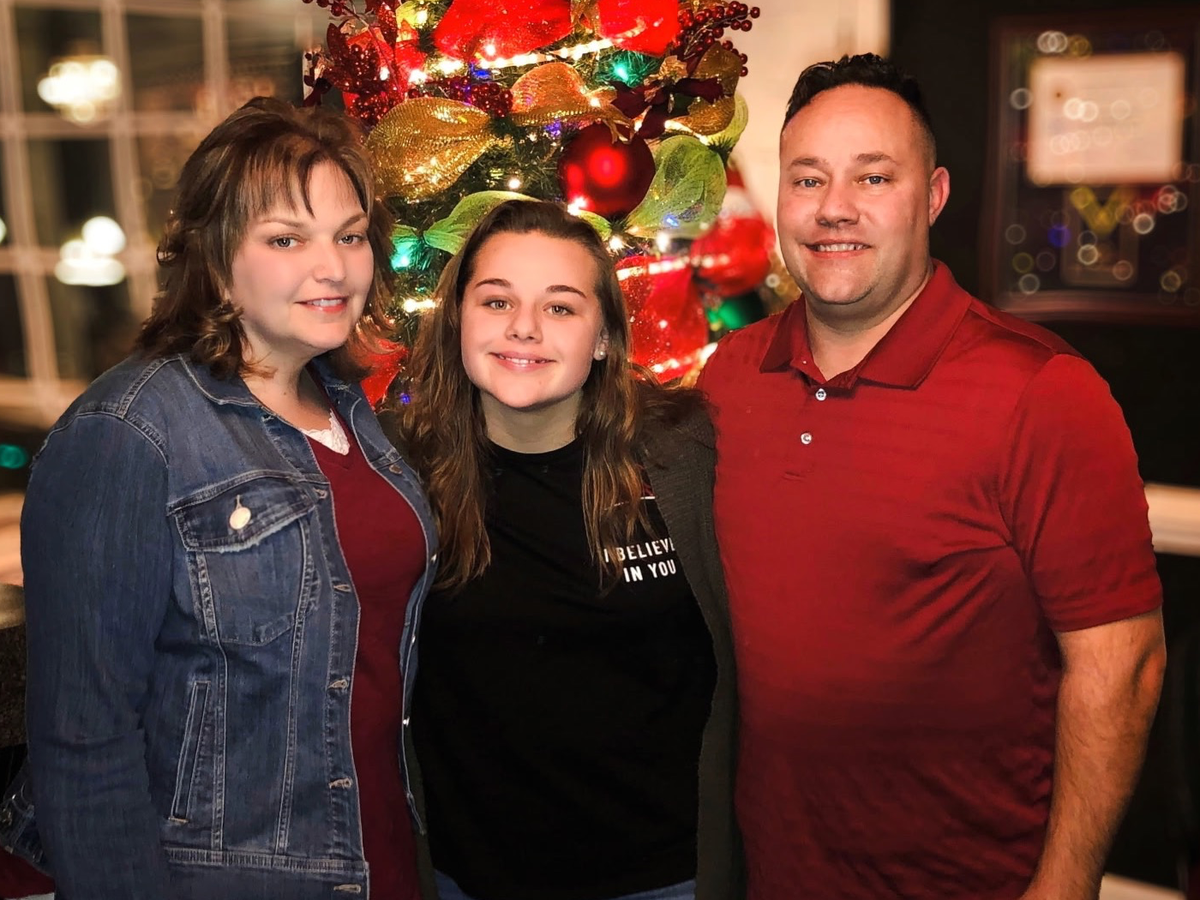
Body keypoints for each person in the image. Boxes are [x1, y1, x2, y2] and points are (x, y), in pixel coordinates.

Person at [697, 53, 1166, 900]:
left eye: (874, 177)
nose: (834, 207)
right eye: (808, 179)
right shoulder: (730, 375)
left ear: (935, 196)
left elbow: (1122, 664)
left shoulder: (1040, 392)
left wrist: (1063, 888)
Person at [0, 97, 436, 899]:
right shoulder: (127, 432)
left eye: (349, 236)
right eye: (285, 239)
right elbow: (84, 739)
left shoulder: (349, 407)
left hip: (380, 855)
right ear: (214, 256)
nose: (333, 268)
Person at [392, 199, 741, 900]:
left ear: (603, 337)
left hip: (665, 877)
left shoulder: (685, 456)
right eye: (497, 301)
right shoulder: (398, 470)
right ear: (457, 319)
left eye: (559, 307)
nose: (523, 327)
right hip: (468, 879)